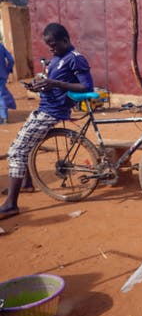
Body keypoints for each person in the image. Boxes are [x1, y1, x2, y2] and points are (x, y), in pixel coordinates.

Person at [0, 23, 94, 220]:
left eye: (53, 45)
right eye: (48, 45)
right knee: (26, 145)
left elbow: (86, 85)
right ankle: (26, 184)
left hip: (52, 111)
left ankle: (10, 205)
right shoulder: (57, 58)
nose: (51, 48)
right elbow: (53, 84)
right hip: (45, 108)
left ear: (65, 41)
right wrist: (40, 86)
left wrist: (55, 83)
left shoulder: (75, 59)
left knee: (16, 151)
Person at [0, 42, 16, 124]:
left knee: (1, 96)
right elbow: (11, 60)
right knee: (1, 94)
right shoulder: (1, 47)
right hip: (2, 75)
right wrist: (7, 70)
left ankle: (3, 117)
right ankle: (3, 116)